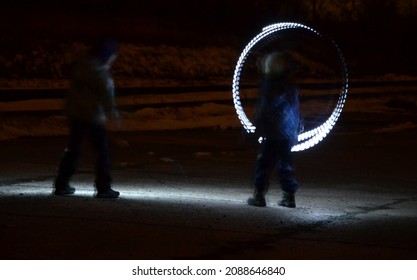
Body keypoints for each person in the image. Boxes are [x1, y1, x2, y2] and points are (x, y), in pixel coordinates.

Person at [53, 38, 120, 198]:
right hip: (93, 117)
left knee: (74, 150)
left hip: (76, 114)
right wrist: (112, 113)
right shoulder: (101, 73)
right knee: (102, 152)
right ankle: (103, 187)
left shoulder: (80, 67)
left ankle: (61, 184)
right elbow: (106, 96)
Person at [247, 51, 300, 208]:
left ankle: (259, 196)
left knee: (263, 165)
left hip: (271, 134)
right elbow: (294, 110)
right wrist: (295, 129)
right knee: (286, 165)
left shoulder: (268, 86)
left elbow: (264, 110)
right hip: (286, 134)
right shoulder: (290, 87)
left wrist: (256, 128)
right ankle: (289, 197)